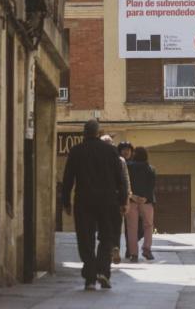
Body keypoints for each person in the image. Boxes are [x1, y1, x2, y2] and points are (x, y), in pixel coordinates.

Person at [61, 120, 128, 290]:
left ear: (84, 133)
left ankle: (90, 277)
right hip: (108, 201)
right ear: (98, 133)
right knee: (107, 236)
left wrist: (66, 201)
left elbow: (68, 178)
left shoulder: (76, 151)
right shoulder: (111, 151)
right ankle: (103, 271)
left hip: (84, 200)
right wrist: (123, 201)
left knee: (85, 238)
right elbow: (120, 179)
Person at [102, 135, 132, 265]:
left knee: (104, 226)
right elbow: (125, 181)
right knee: (116, 226)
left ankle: (108, 250)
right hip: (116, 198)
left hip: (101, 199)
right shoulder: (120, 160)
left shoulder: (98, 159)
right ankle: (115, 247)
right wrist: (126, 199)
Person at [126, 146, 157, 262]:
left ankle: (134, 254)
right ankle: (147, 249)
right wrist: (145, 197)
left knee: (132, 228)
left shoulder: (128, 167)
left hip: (132, 200)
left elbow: (126, 182)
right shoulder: (151, 168)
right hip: (147, 201)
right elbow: (152, 185)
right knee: (148, 226)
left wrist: (133, 196)